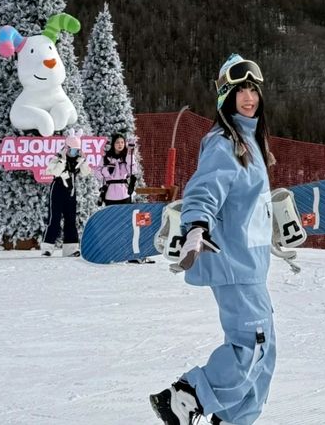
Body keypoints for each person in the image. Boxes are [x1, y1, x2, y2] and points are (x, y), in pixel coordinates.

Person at [151, 54, 276, 425]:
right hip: (232, 263)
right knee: (249, 347)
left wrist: (277, 227)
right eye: (240, 91)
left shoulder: (253, 143)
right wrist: (196, 226)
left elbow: (248, 204)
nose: (249, 97)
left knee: (264, 355)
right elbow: (204, 190)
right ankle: (185, 395)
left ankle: (235, 418)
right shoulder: (225, 142)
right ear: (226, 98)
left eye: (253, 89)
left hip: (252, 265)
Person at [41, 135, 91, 257]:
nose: (74, 153)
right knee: (54, 219)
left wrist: (84, 161)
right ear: (66, 148)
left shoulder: (77, 160)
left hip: (71, 191)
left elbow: (86, 173)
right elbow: (55, 172)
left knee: (71, 220)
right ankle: (47, 248)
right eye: (72, 150)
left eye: (77, 150)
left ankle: (71, 249)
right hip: (57, 190)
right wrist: (62, 160)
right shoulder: (57, 158)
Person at [97, 133, 139, 205]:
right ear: (113, 144)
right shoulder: (105, 158)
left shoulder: (127, 157)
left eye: (122, 142)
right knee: (111, 216)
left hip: (124, 194)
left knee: (125, 215)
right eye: (117, 142)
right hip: (110, 194)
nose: (120, 144)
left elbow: (132, 170)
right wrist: (105, 173)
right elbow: (98, 172)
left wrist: (130, 154)